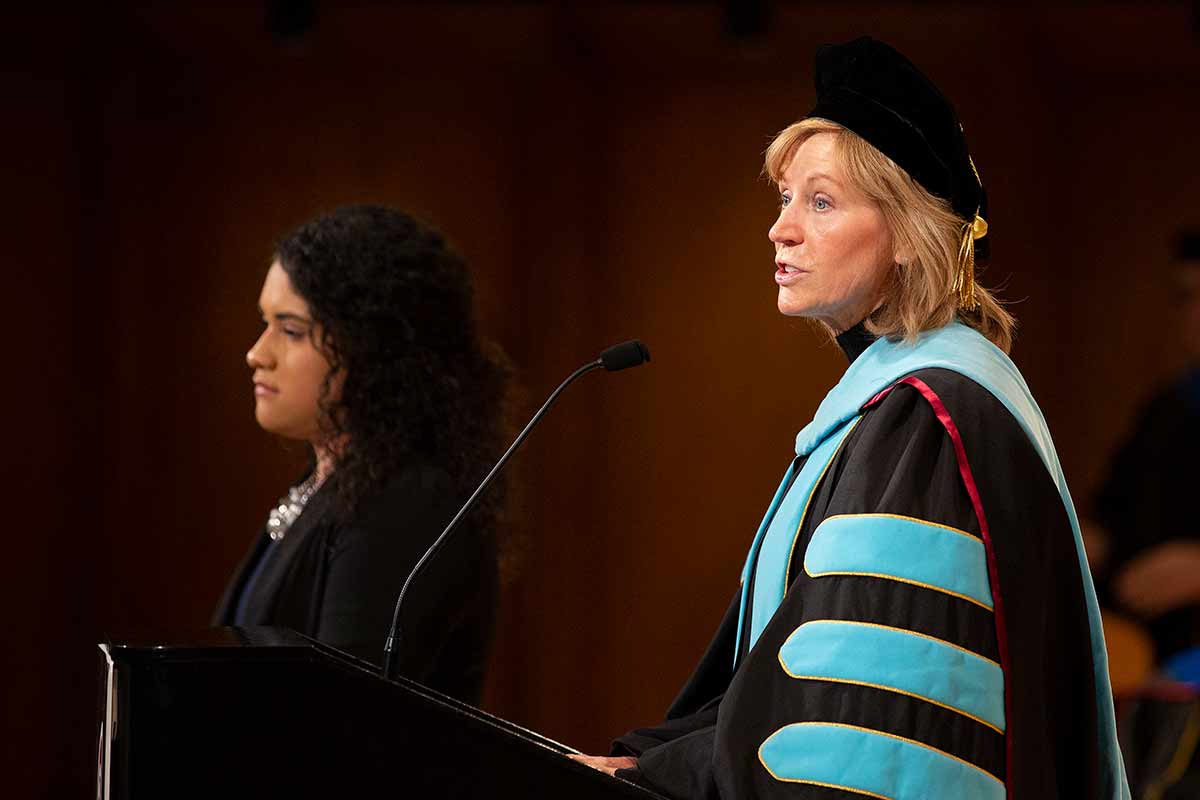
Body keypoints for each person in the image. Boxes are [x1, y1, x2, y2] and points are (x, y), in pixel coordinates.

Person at [572, 37, 1129, 799]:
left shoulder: (928, 422)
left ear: (906, 236)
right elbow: (786, 676)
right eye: (785, 198)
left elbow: (846, 735)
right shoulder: (893, 407)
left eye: (821, 201)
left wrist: (659, 772)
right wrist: (646, 759)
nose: (781, 228)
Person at [212, 205, 510, 705]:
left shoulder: (404, 503)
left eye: (291, 330)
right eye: (265, 323)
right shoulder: (338, 481)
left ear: (370, 346)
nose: (257, 353)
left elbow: (343, 718)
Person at [1095, 233, 1200, 674]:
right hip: (1142, 650)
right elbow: (1108, 519)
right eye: (1186, 298)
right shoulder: (1171, 407)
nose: (1192, 315)